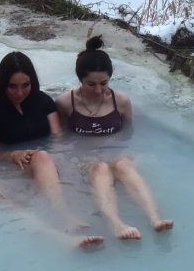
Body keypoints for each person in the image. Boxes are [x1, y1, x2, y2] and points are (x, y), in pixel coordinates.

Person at [0, 51, 103, 247]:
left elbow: (59, 139)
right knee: (42, 156)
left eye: (25, 85)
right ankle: (65, 217)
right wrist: (12, 155)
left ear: (33, 82)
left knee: (48, 157)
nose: (19, 92)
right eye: (12, 86)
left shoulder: (43, 102)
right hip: (13, 165)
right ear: (3, 84)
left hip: (49, 160)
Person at [56, 35, 174, 240]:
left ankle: (154, 217)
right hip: (85, 157)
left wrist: (131, 154)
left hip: (116, 151)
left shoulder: (121, 101)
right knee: (100, 167)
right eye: (91, 84)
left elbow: (130, 133)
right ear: (80, 79)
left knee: (123, 165)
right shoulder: (65, 102)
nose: (98, 90)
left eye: (104, 83)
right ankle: (116, 224)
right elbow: (60, 139)